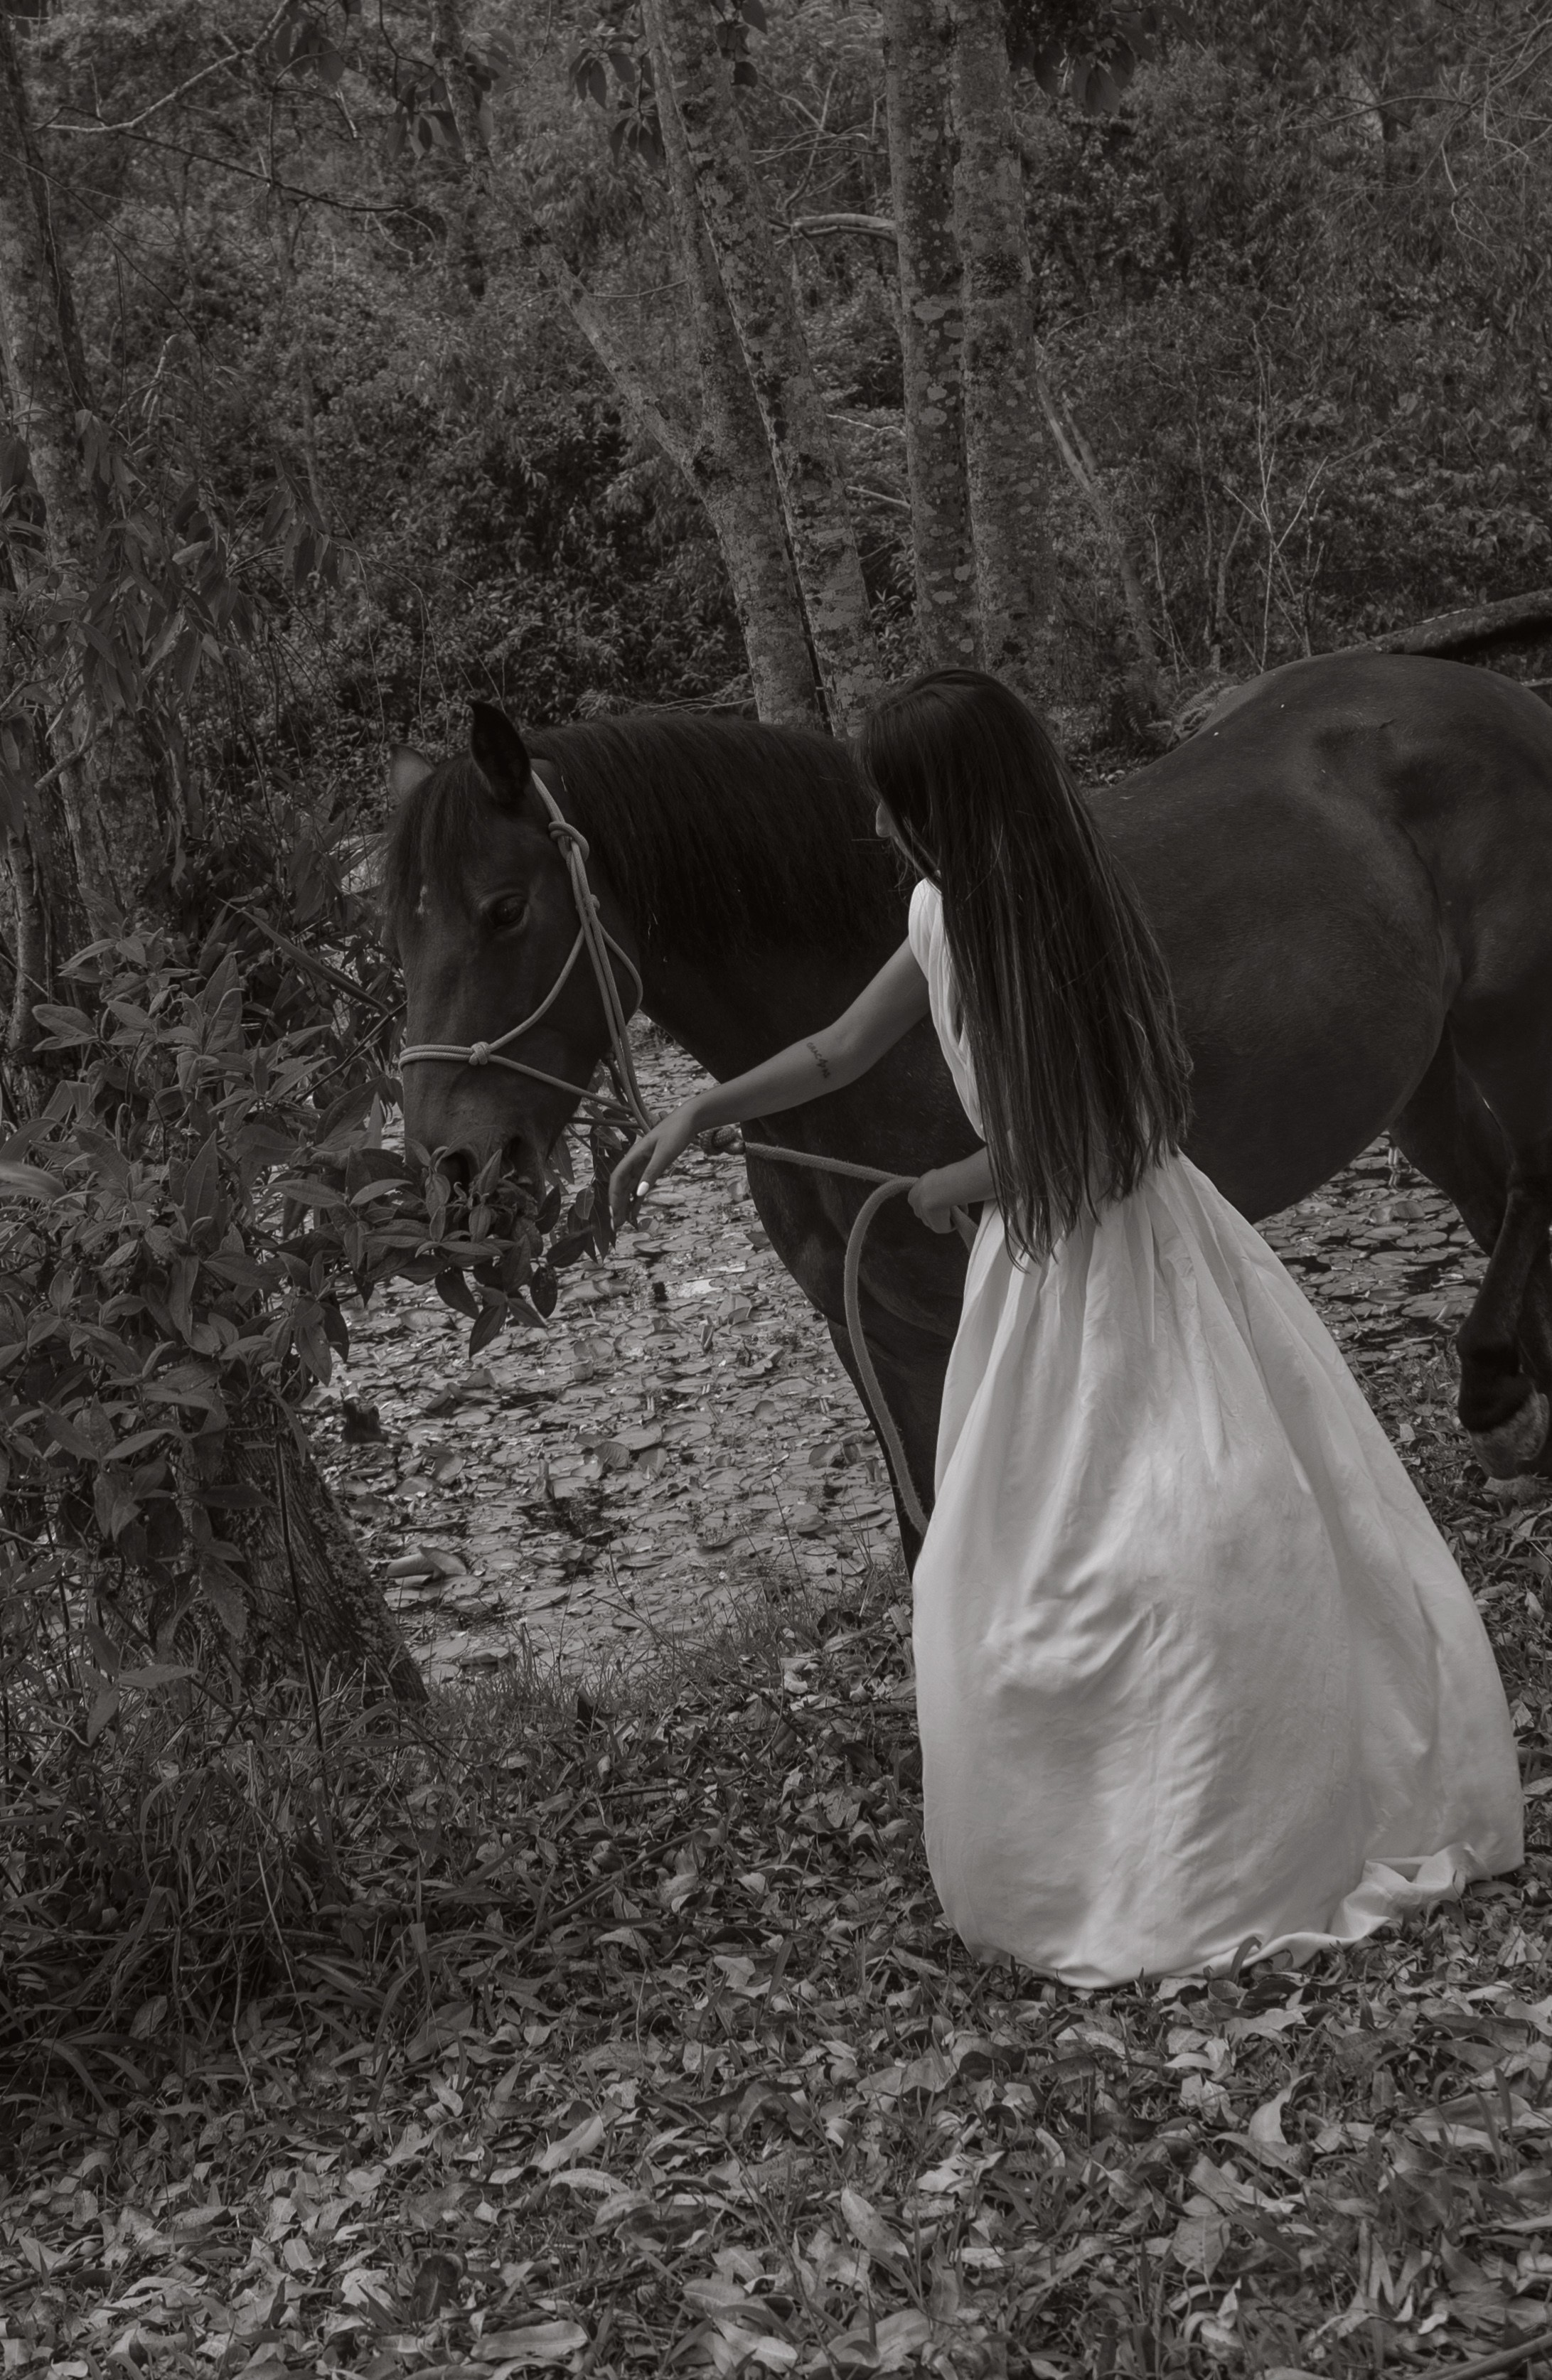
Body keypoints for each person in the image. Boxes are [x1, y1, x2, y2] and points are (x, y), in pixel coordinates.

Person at [609, 668, 1523, 1988]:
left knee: (1178, 1530)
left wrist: (953, 1184)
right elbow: (835, 1052)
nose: (874, 832)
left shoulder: (1053, 927)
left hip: (1124, 1254)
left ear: (947, 808)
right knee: (1026, 1546)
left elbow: (1113, 1128)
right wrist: (704, 1111)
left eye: (893, 807)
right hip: (1036, 1273)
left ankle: (1224, 1818)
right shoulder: (937, 911)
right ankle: (1093, 1807)